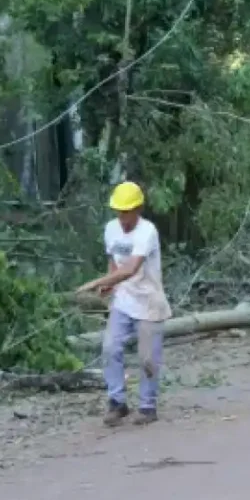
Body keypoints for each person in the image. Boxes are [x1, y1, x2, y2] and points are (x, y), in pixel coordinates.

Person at [76, 181, 172, 427]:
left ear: (138, 209)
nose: (122, 216)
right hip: (124, 299)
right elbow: (116, 265)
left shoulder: (147, 231)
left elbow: (131, 268)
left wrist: (94, 282)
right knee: (110, 348)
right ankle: (117, 402)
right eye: (119, 210)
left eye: (127, 210)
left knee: (147, 358)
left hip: (150, 300)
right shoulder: (110, 229)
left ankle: (148, 406)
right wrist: (109, 285)